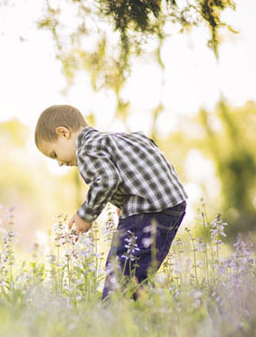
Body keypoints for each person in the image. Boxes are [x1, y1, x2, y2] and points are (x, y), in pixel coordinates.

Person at [35, 104, 187, 299]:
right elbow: (134, 165)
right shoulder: (113, 139)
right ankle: (150, 313)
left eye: (54, 154)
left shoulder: (87, 149)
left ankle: (112, 317)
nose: (59, 163)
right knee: (139, 273)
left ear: (63, 133)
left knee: (119, 274)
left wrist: (86, 215)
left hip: (147, 209)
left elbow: (107, 179)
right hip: (172, 203)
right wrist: (123, 203)